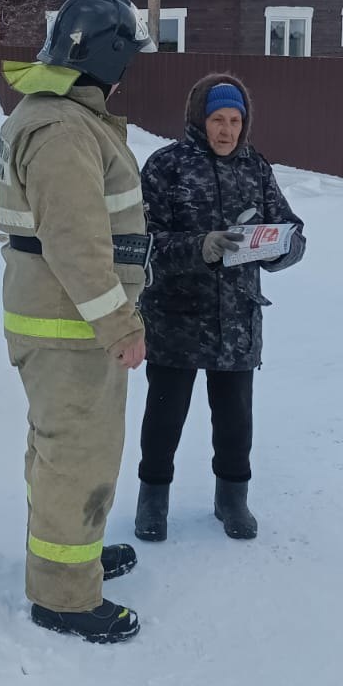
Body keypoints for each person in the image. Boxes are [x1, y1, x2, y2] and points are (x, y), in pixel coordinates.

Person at [0, 0, 156, 644]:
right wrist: (119, 325)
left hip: (62, 322)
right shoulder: (62, 128)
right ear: (111, 57)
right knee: (77, 458)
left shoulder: (60, 115)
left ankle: (69, 554)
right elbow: (76, 243)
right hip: (72, 326)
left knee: (60, 452)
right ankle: (63, 595)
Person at [133, 74, 305, 542]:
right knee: (164, 417)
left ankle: (232, 498)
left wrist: (277, 249)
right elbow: (143, 243)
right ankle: (153, 498)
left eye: (235, 120)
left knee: (234, 418)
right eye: (217, 119)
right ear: (198, 120)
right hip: (175, 319)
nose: (226, 130)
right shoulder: (165, 167)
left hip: (237, 321)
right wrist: (200, 247)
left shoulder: (255, 167)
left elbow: (292, 231)